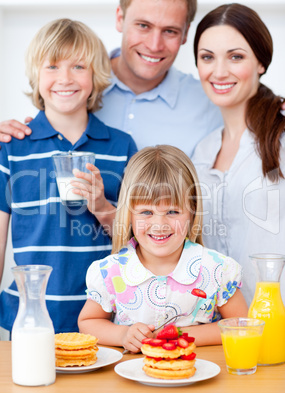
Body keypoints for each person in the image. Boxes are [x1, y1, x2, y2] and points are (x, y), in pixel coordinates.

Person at [0, 18, 137, 334]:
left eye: (78, 66)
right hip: (25, 318)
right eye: (52, 66)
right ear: (36, 75)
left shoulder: (121, 146)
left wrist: (101, 205)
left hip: (103, 321)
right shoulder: (12, 147)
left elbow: (134, 240)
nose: (64, 78)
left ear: (95, 76)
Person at [78, 145, 248, 353]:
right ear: (128, 214)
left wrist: (176, 336)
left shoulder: (217, 269)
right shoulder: (111, 272)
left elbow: (241, 324)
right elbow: (88, 322)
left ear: (192, 212)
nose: (159, 224)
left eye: (173, 211)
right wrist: (123, 335)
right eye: (146, 212)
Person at [0, 0, 223, 155]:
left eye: (170, 31)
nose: (155, 45)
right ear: (119, 18)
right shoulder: (75, 88)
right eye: (143, 25)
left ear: (185, 33)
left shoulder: (209, 105)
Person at [191, 3, 285, 306]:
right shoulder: (202, 150)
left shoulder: (280, 135)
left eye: (236, 56)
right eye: (207, 57)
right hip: (224, 332)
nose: (219, 72)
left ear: (261, 61)